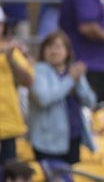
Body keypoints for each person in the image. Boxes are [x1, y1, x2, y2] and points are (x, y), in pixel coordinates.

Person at [28, 31, 96, 165]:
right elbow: (44, 98)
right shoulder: (38, 71)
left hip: (73, 136)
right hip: (47, 141)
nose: (54, 51)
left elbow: (90, 101)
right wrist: (70, 79)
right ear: (43, 51)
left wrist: (79, 81)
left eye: (59, 47)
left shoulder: (72, 71)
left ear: (67, 51)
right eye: (50, 47)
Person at [0, 8, 33, 165]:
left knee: (8, 179)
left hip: (8, 125)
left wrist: (11, 60)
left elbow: (28, 81)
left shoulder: (12, 52)